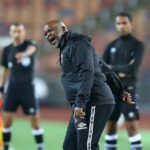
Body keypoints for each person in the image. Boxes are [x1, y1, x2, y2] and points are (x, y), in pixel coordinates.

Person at [43, 19, 134, 150]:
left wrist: (80, 103)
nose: (48, 35)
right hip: (83, 104)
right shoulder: (69, 47)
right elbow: (104, 69)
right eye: (45, 33)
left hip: (93, 101)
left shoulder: (78, 44)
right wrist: (120, 92)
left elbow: (87, 72)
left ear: (63, 29)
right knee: (70, 146)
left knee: (87, 146)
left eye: (51, 30)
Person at [103, 12, 145, 150]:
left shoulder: (138, 45)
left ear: (131, 24)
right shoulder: (111, 45)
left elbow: (132, 68)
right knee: (110, 128)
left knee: (132, 127)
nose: (121, 26)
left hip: (128, 90)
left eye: (124, 23)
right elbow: (102, 67)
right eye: (118, 23)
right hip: (111, 91)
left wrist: (112, 68)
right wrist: (120, 69)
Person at [0, 23, 45, 150]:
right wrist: (1, 87)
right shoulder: (7, 49)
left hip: (28, 90)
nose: (17, 34)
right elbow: (5, 69)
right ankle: (6, 147)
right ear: (10, 33)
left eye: (19, 31)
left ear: (24, 33)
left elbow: (33, 48)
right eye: (14, 31)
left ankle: (40, 147)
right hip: (12, 90)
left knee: (35, 122)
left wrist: (25, 54)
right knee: (7, 121)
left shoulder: (30, 44)